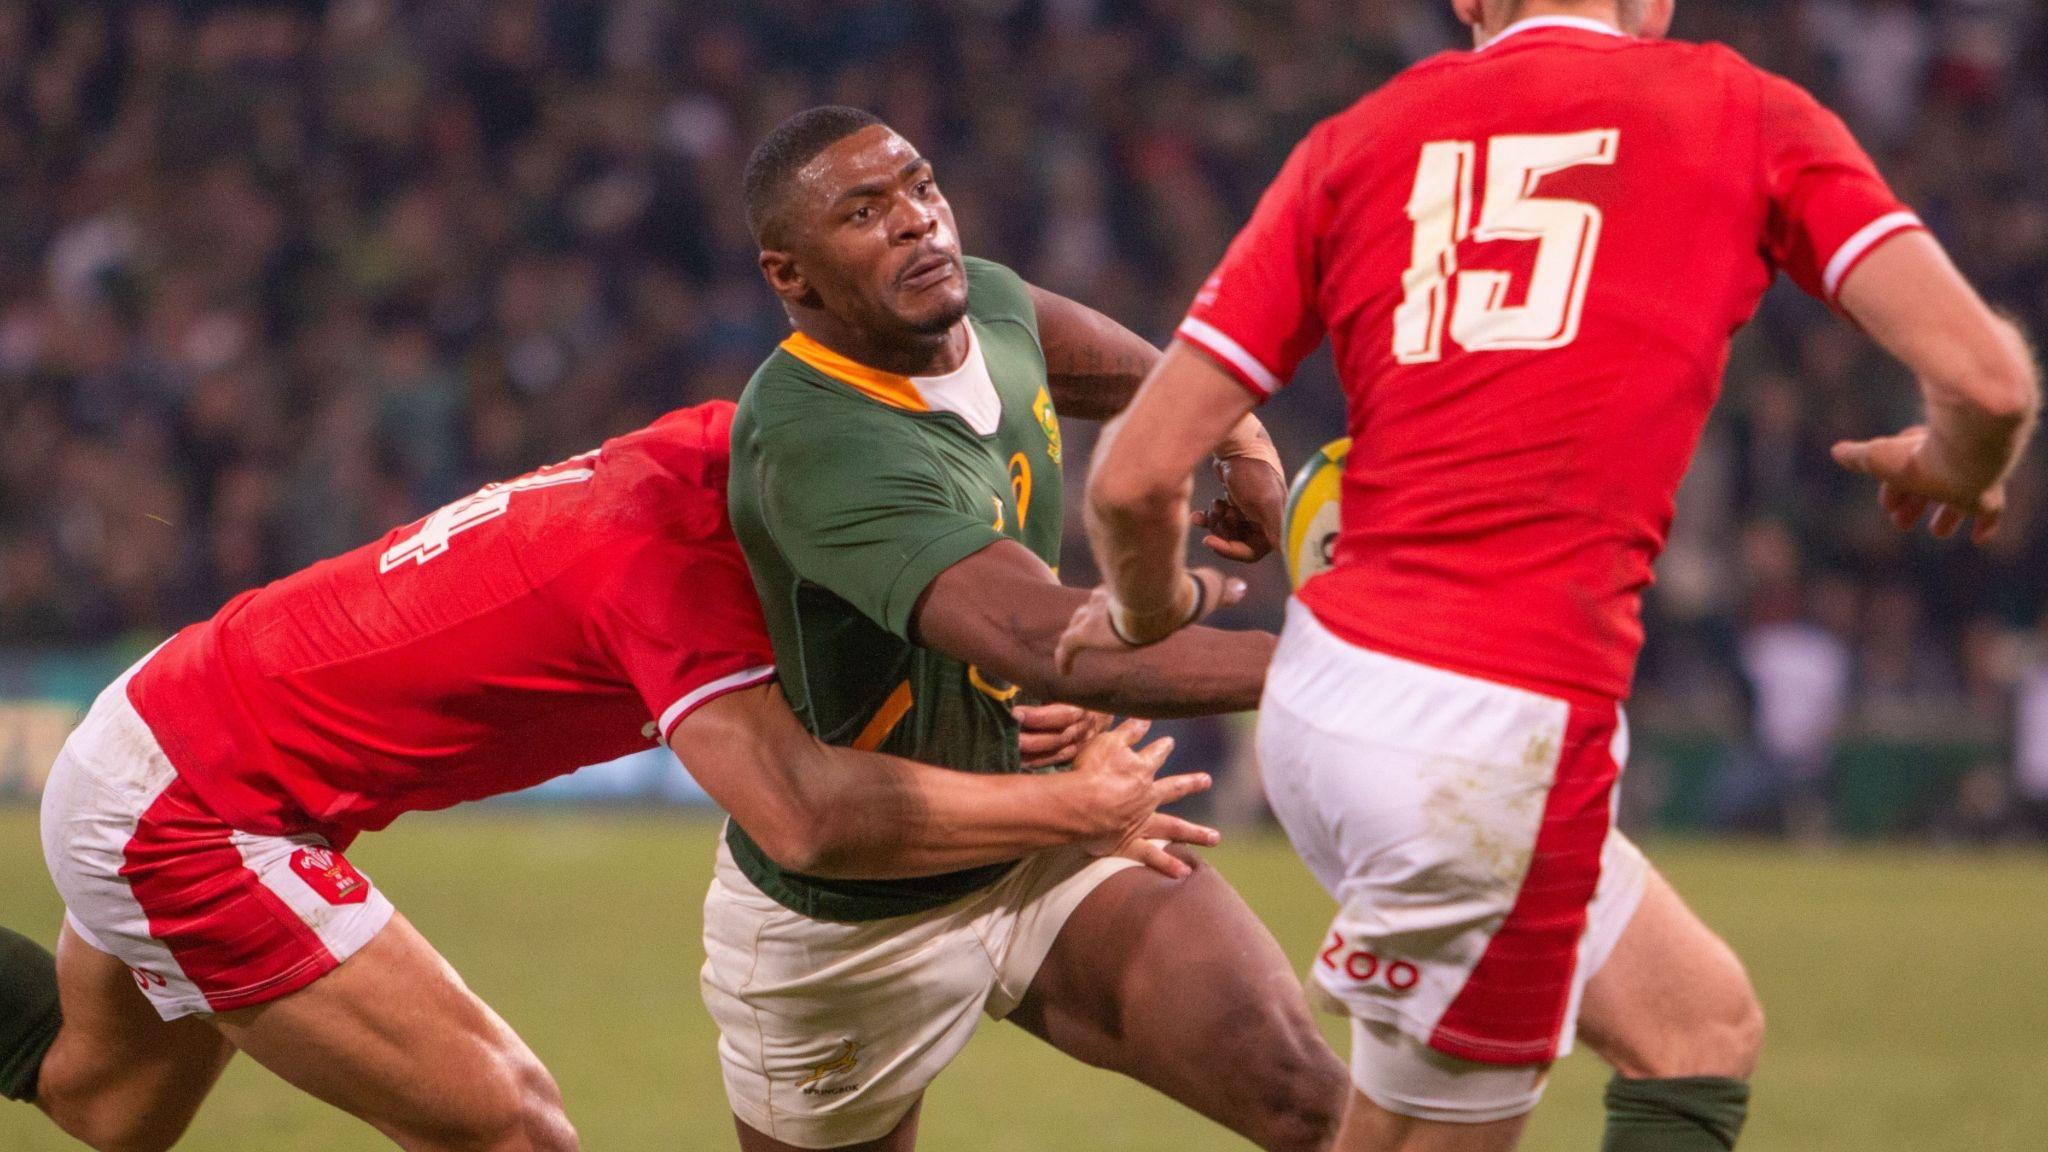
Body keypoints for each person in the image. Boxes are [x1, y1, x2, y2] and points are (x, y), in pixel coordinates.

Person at [1059, 2, 2039, 1151]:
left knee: (1693, 1024)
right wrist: (1951, 466)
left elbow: (1130, 482)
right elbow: (1986, 384)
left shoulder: (1356, 139)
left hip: (1322, 706)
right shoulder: (1743, 112)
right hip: (1494, 739)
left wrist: (1142, 609)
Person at [0, 399, 1219, 1152]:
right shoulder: (666, 584)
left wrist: (995, 726)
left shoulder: (735, 454)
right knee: (509, 1128)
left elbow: (867, 631)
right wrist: (1073, 806)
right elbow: (803, 814)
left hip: (175, 716)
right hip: (193, 812)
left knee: (109, 1106)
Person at [717, 105, 1345, 1152]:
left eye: (921, 186)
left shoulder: (989, 309)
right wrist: (1355, 659)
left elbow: (1146, 377)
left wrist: (1237, 437)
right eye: (864, 213)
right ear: (791, 277)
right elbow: (1042, 638)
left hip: (1052, 832)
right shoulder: (817, 440)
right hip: (852, 910)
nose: (916, 222)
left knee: (1309, 1104)